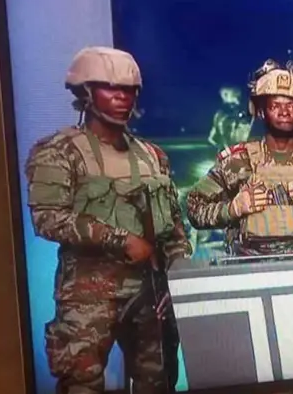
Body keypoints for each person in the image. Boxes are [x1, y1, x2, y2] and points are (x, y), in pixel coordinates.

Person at [25, 47, 191, 393]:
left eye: (128, 90)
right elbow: (48, 218)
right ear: (86, 93)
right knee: (81, 384)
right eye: (110, 88)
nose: (122, 98)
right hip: (87, 297)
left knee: (158, 382)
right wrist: (119, 239)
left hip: (150, 292)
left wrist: (179, 279)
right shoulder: (59, 151)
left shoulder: (151, 156)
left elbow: (172, 227)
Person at [185, 59, 293, 255]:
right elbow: (194, 207)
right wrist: (232, 209)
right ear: (262, 111)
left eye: (291, 105)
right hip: (248, 266)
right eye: (275, 105)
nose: (284, 112)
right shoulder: (236, 162)